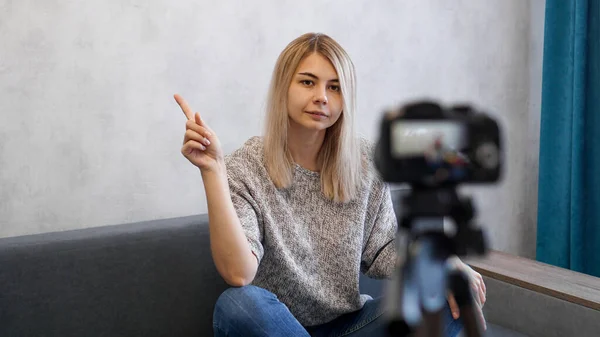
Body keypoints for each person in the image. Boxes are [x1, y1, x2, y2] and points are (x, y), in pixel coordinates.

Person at [175, 32, 486, 337]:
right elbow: (239, 273)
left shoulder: (366, 162)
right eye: (308, 82)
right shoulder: (246, 165)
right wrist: (213, 170)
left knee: (453, 298)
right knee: (238, 304)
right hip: (272, 326)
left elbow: (384, 250)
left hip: (352, 324)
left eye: (334, 87)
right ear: (284, 87)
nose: (321, 96)